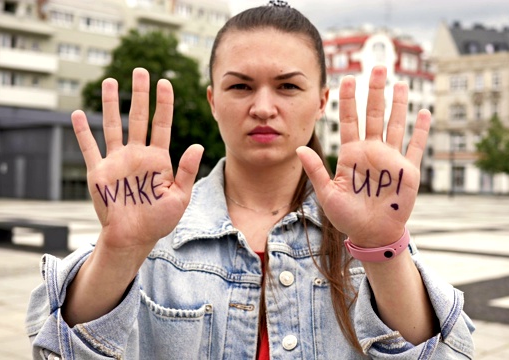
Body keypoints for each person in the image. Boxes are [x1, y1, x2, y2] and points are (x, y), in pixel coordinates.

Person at [26, 1, 475, 359]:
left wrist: (381, 246)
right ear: (213, 100)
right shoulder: (157, 223)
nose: (262, 106)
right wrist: (119, 251)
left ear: (322, 101)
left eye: (287, 87)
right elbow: (56, 349)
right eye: (240, 86)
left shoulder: (365, 227)